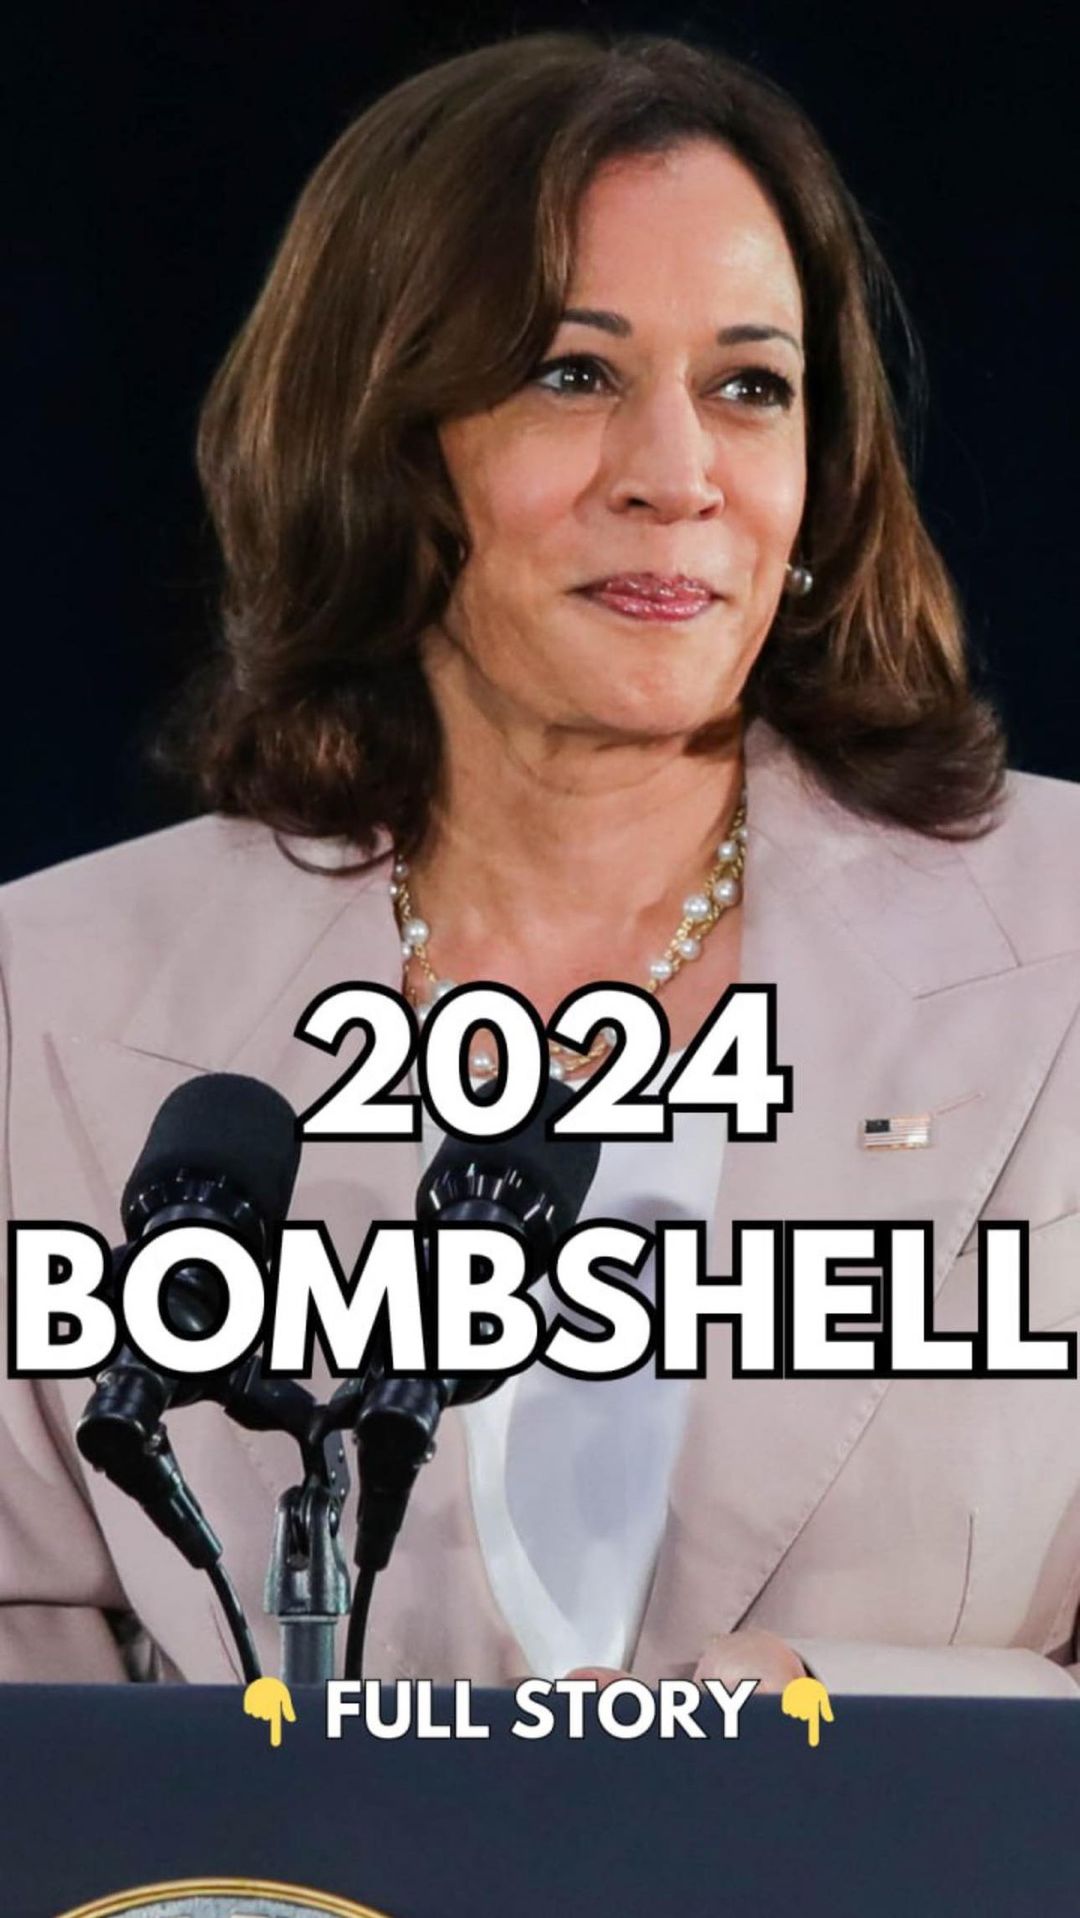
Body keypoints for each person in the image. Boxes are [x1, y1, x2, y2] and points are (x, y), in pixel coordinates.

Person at [2, 31, 1079, 1697]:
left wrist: (816, 1729)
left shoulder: (1058, 944)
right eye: (574, 375)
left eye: (750, 387)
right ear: (381, 437)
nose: (677, 477)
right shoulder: (57, 989)